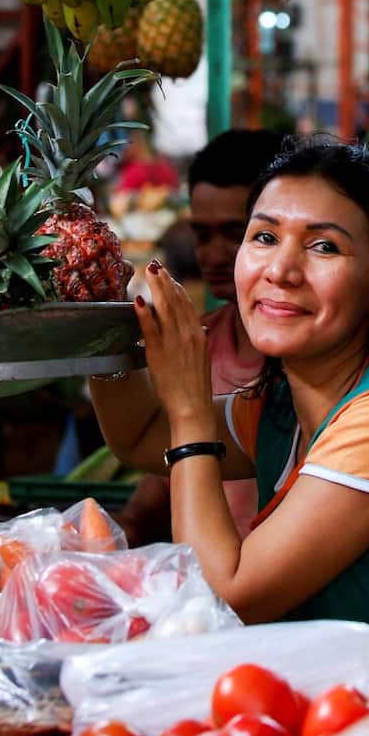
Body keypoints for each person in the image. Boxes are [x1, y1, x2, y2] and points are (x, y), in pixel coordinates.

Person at [89, 136, 369, 627]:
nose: (281, 270)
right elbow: (139, 436)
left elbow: (227, 595)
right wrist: (97, 323)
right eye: (265, 237)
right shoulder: (284, 407)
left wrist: (190, 408)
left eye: (323, 246)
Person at [112, 128, 283, 545]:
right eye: (202, 235)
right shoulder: (190, 345)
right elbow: (147, 454)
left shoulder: (315, 373)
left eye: (239, 233)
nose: (213, 254)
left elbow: (241, 584)